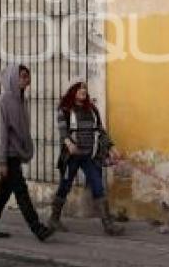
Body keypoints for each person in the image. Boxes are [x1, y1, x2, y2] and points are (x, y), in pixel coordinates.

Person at [0, 65, 54, 241]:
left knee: (3, 192)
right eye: (23, 76)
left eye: (28, 77)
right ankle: (38, 229)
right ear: (14, 78)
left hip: (16, 154)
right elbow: (1, 133)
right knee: (21, 193)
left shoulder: (21, 100)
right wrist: (2, 161)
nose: (26, 80)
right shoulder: (4, 101)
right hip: (9, 155)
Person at [48, 81, 124, 236]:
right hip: (71, 157)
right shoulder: (65, 109)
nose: (83, 90)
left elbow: (101, 131)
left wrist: (113, 148)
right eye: (80, 88)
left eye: (85, 89)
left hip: (89, 156)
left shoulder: (92, 109)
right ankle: (54, 219)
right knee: (65, 186)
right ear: (73, 91)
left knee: (98, 185)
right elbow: (63, 132)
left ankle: (108, 225)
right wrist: (69, 143)